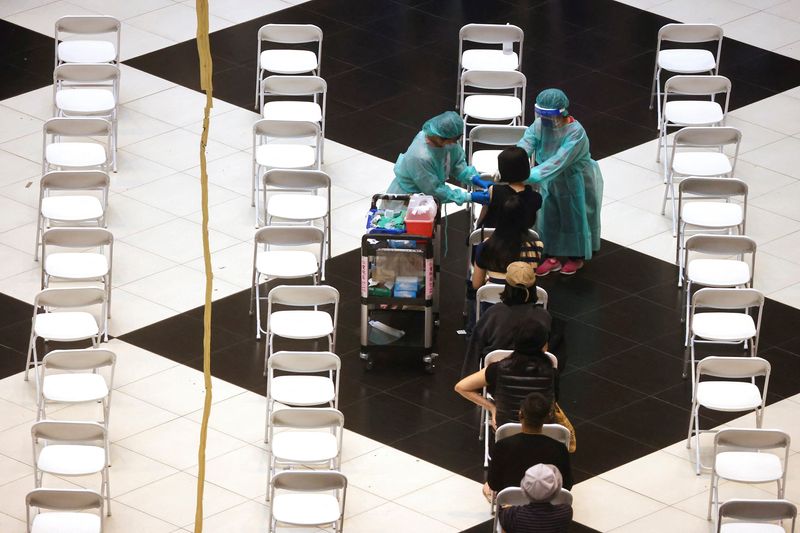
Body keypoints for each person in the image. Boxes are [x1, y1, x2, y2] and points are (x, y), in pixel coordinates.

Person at [516, 88, 604, 276]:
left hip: (574, 180)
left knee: (574, 218)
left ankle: (576, 256)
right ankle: (551, 257)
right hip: (549, 179)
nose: (545, 120)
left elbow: (558, 161)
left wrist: (525, 176)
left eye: (548, 115)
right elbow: (526, 144)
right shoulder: (540, 125)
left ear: (561, 112)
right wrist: (514, 161)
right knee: (549, 216)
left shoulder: (576, 133)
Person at [455, 322, 557, 432]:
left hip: (505, 430)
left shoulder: (498, 368)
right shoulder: (552, 372)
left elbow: (461, 387)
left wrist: (492, 407)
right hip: (542, 430)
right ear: (544, 346)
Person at [462, 262, 551, 376]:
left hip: (495, 379)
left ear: (507, 286)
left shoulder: (493, 314)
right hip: (533, 377)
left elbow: (474, 349)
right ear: (534, 287)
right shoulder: (543, 316)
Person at [388, 111, 493, 206]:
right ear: (440, 137)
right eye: (451, 140)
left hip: (428, 200)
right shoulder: (420, 156)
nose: (454, 143)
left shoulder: (448, 140)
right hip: (406, 200)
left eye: (456, 139)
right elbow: (435, 190)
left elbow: (457, 163)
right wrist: (469, 197)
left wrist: (474, 178)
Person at [488, 393, 573, 495]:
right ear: (547, 417)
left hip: (511, 503)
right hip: (547, 503)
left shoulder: (502, 446)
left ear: (520, 414)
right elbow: (567, 486)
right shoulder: (559, 449)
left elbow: (494, 484)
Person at [471, 196, 543, 290]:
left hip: (492, 298)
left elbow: (476, 285)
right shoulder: (537, 246)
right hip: (524, 297)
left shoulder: (486, 246)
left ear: (500, 217)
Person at [477, 146, 542, 229]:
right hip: (522, 237)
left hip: (492, 236)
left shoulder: (493, 190)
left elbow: (482, 219)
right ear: (527, 168)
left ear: (501, 171)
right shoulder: (536, 198)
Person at [498, 463, 573, 533]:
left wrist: (508, 508)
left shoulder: (512, 516)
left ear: (524, 489)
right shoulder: (566, 513)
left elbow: (501, 514)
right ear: (557, 490)